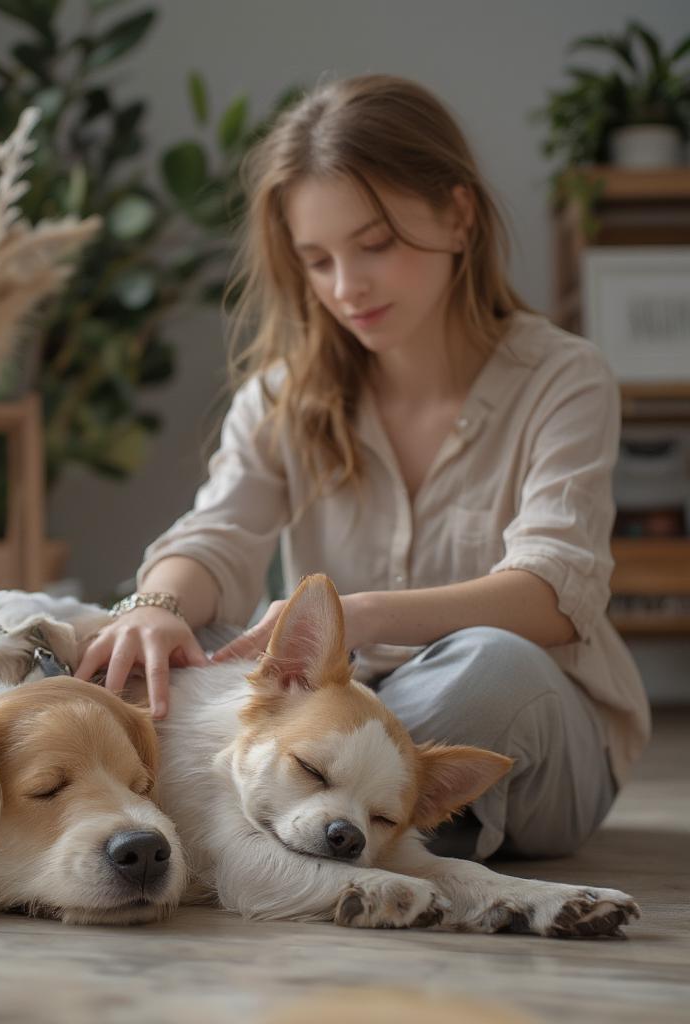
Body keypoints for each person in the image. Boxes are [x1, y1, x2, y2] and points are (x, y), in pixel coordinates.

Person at [75, 74, 650, 860]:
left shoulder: (564, 378)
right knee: (186, 650)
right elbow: (218, 531)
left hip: (522, 732)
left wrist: (362, 615)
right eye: (317, 261)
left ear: (458, 215)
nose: (347, 288)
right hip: (336, 739)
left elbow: (555, 593)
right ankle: (339, 821)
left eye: (375, 245)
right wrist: (155, 605)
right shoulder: (285, 394)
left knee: (491, 666)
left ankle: (298, 813)